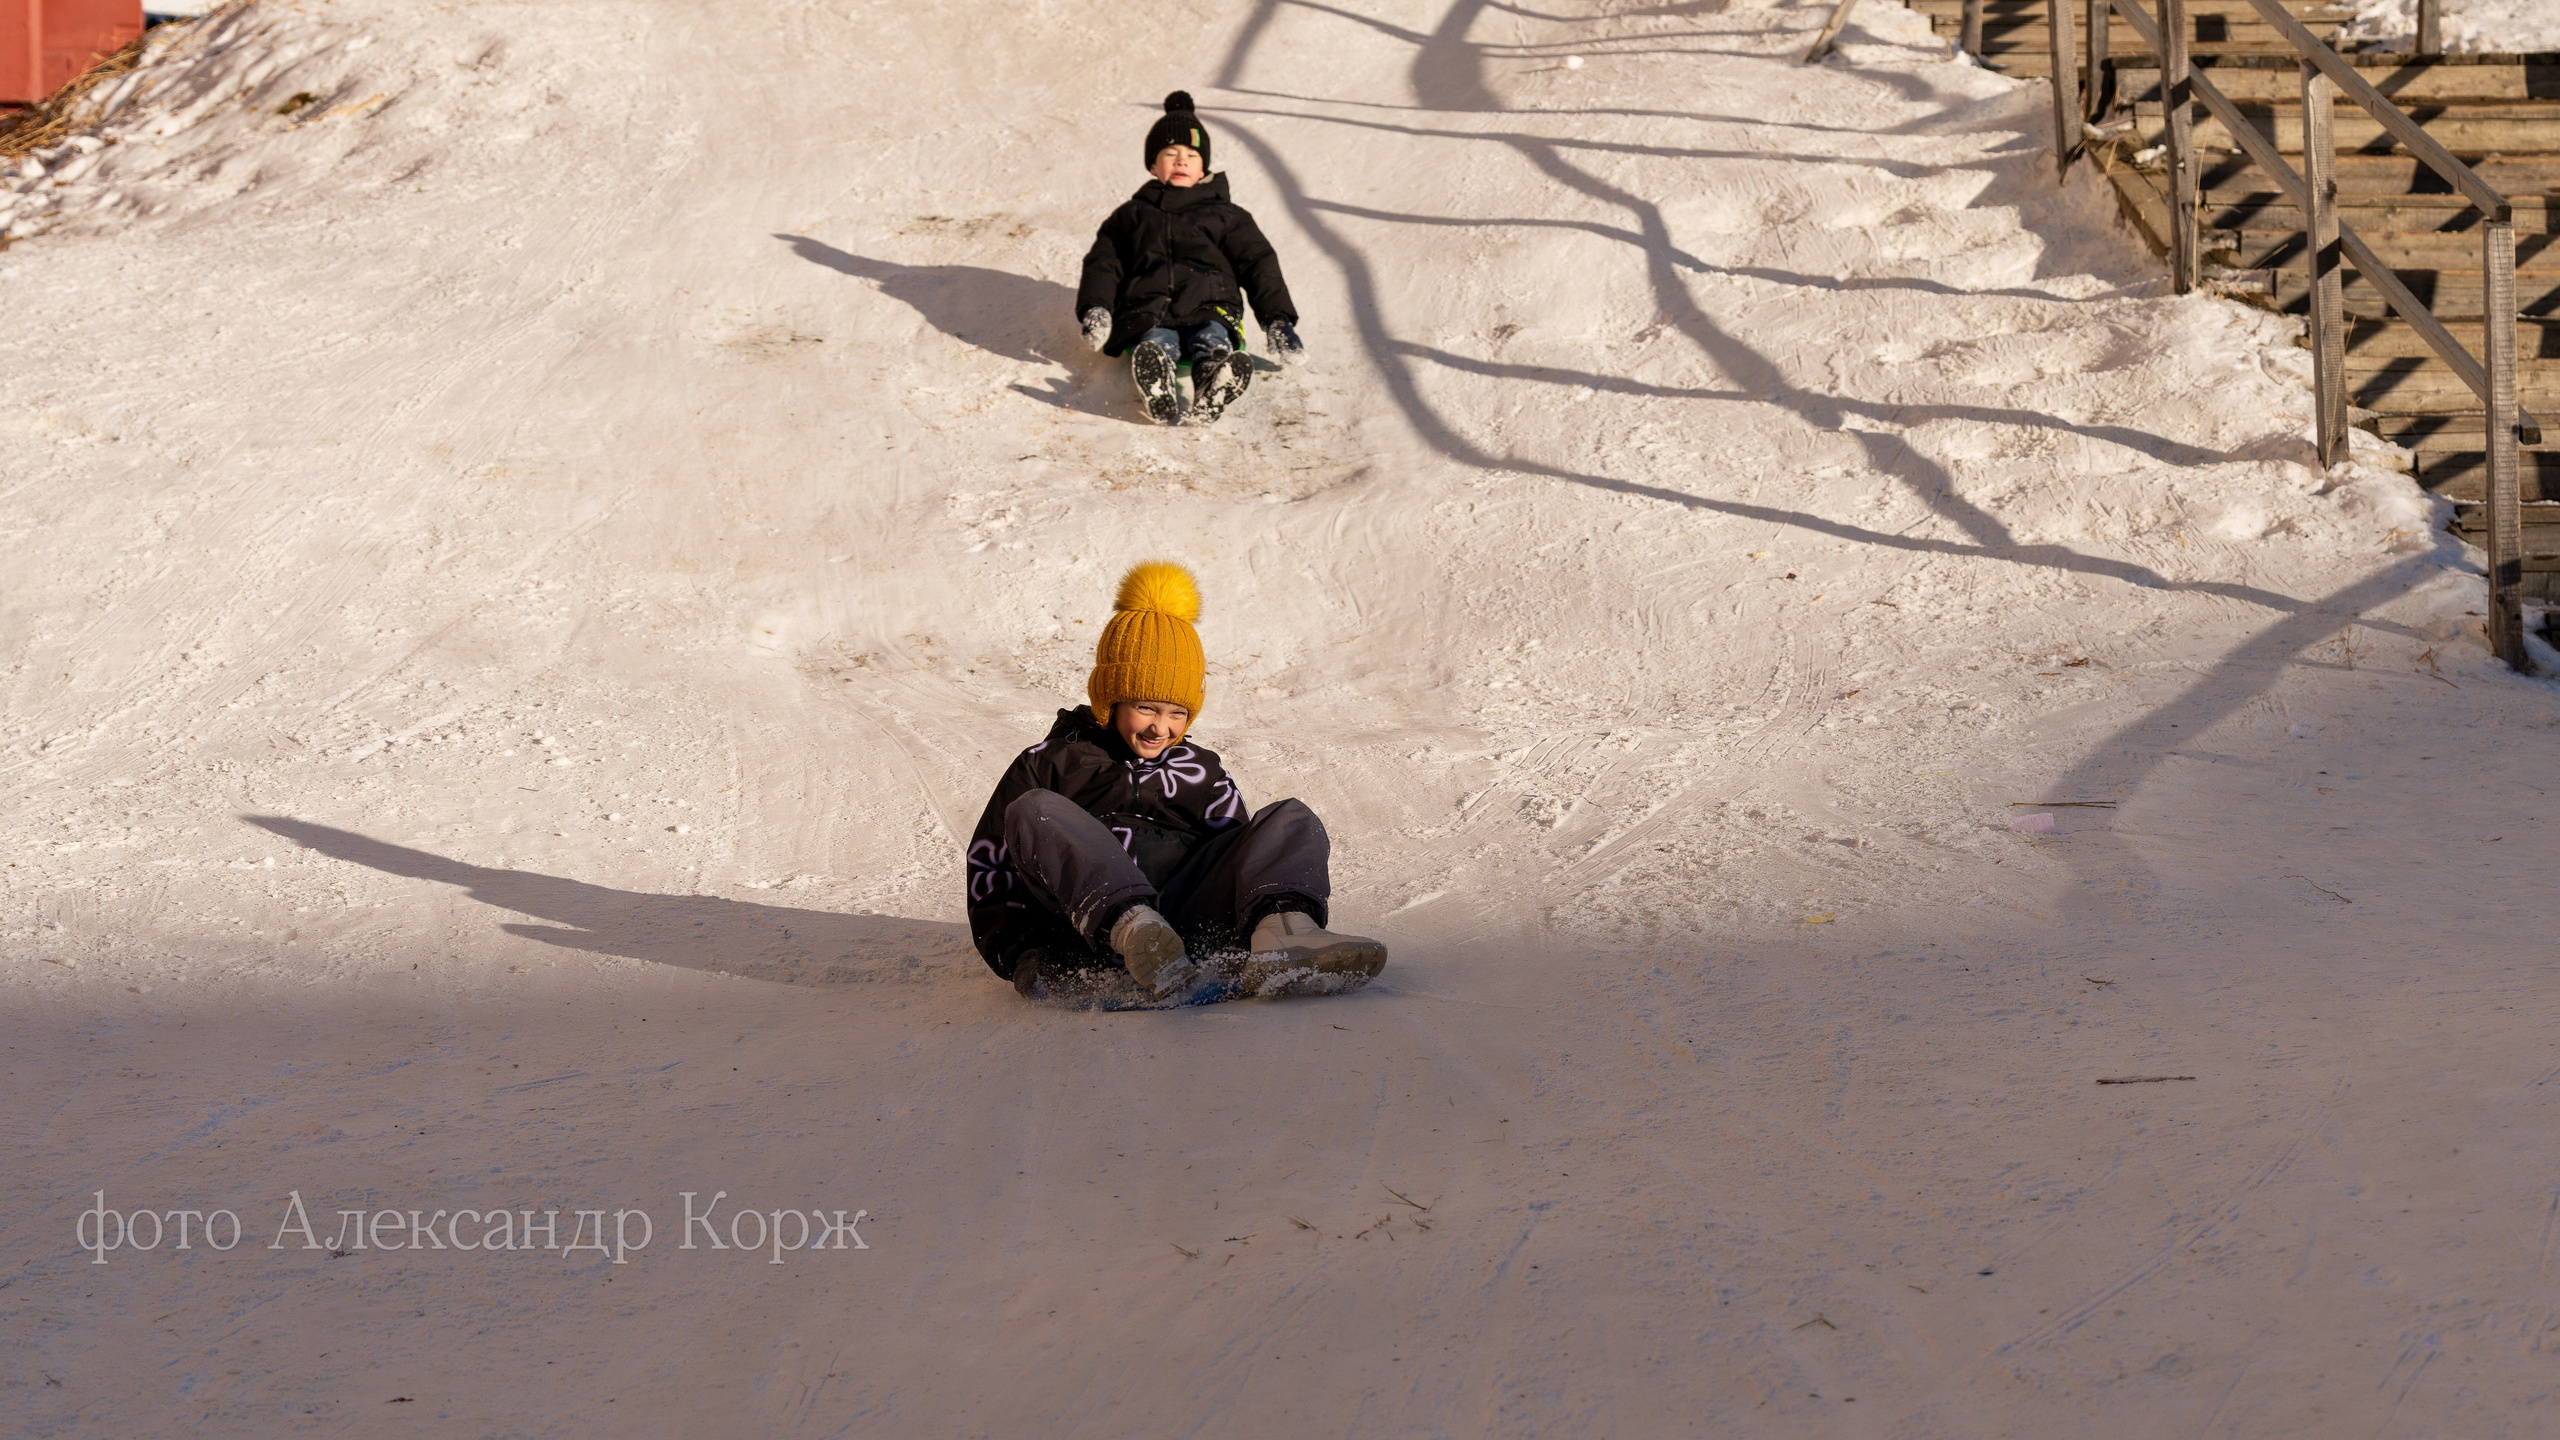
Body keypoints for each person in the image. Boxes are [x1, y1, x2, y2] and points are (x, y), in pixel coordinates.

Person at [964, 561, 1384, 1001]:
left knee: (1291, 818)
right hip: (1084, 934)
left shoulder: (1201, 772)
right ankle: (1133, 929)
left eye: (1177, 713)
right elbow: (992, 871)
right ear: (1111, 697)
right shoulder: (1051, 764)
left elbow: (1239, 858)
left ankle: (1284, 934)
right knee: (1034, 810)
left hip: (1183, 936)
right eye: (1146, 707)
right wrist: (1026, 955)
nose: (1160, 728)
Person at [1076, 92, 1305, 427]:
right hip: (1149, 307)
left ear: (1203, 168)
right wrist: (1097, 307)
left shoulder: (1227, 215)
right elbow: (1104, 262)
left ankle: (1215, 377)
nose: (1181, 160)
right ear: (1153, 165)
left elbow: (1257, 263)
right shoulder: (1132, 216)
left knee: (1211, 338)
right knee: (1156, 340)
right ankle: (1158, 380)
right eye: (1170, 154)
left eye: (1191, 155)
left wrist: (1277, 319)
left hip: (1210, 303)